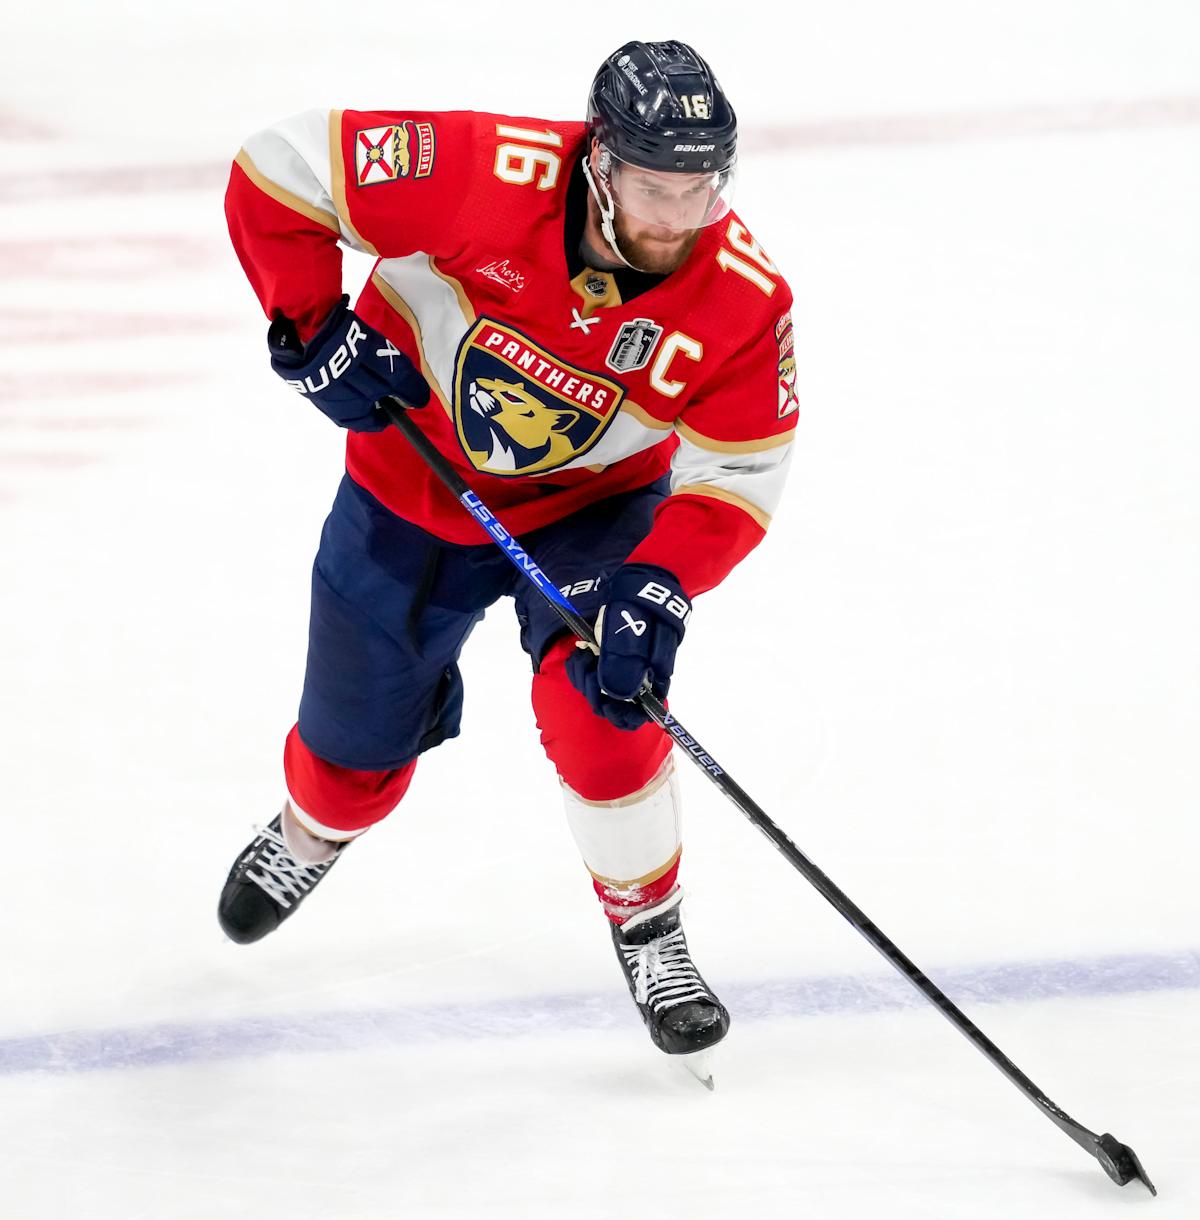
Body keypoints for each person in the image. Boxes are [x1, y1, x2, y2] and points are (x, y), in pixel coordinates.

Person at [214, 40, 798, 1067]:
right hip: (410, 485)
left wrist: (659, 580)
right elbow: (282, 167)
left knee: (602, 700)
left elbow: (740, 474)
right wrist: (312, 328)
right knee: (349, 753)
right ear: (600, 164)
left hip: (592, 513)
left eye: (700, 188)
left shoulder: (744, 298)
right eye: (655, 186)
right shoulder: (487, 172)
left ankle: (650, 930)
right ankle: (312, 831)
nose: (677, 216)